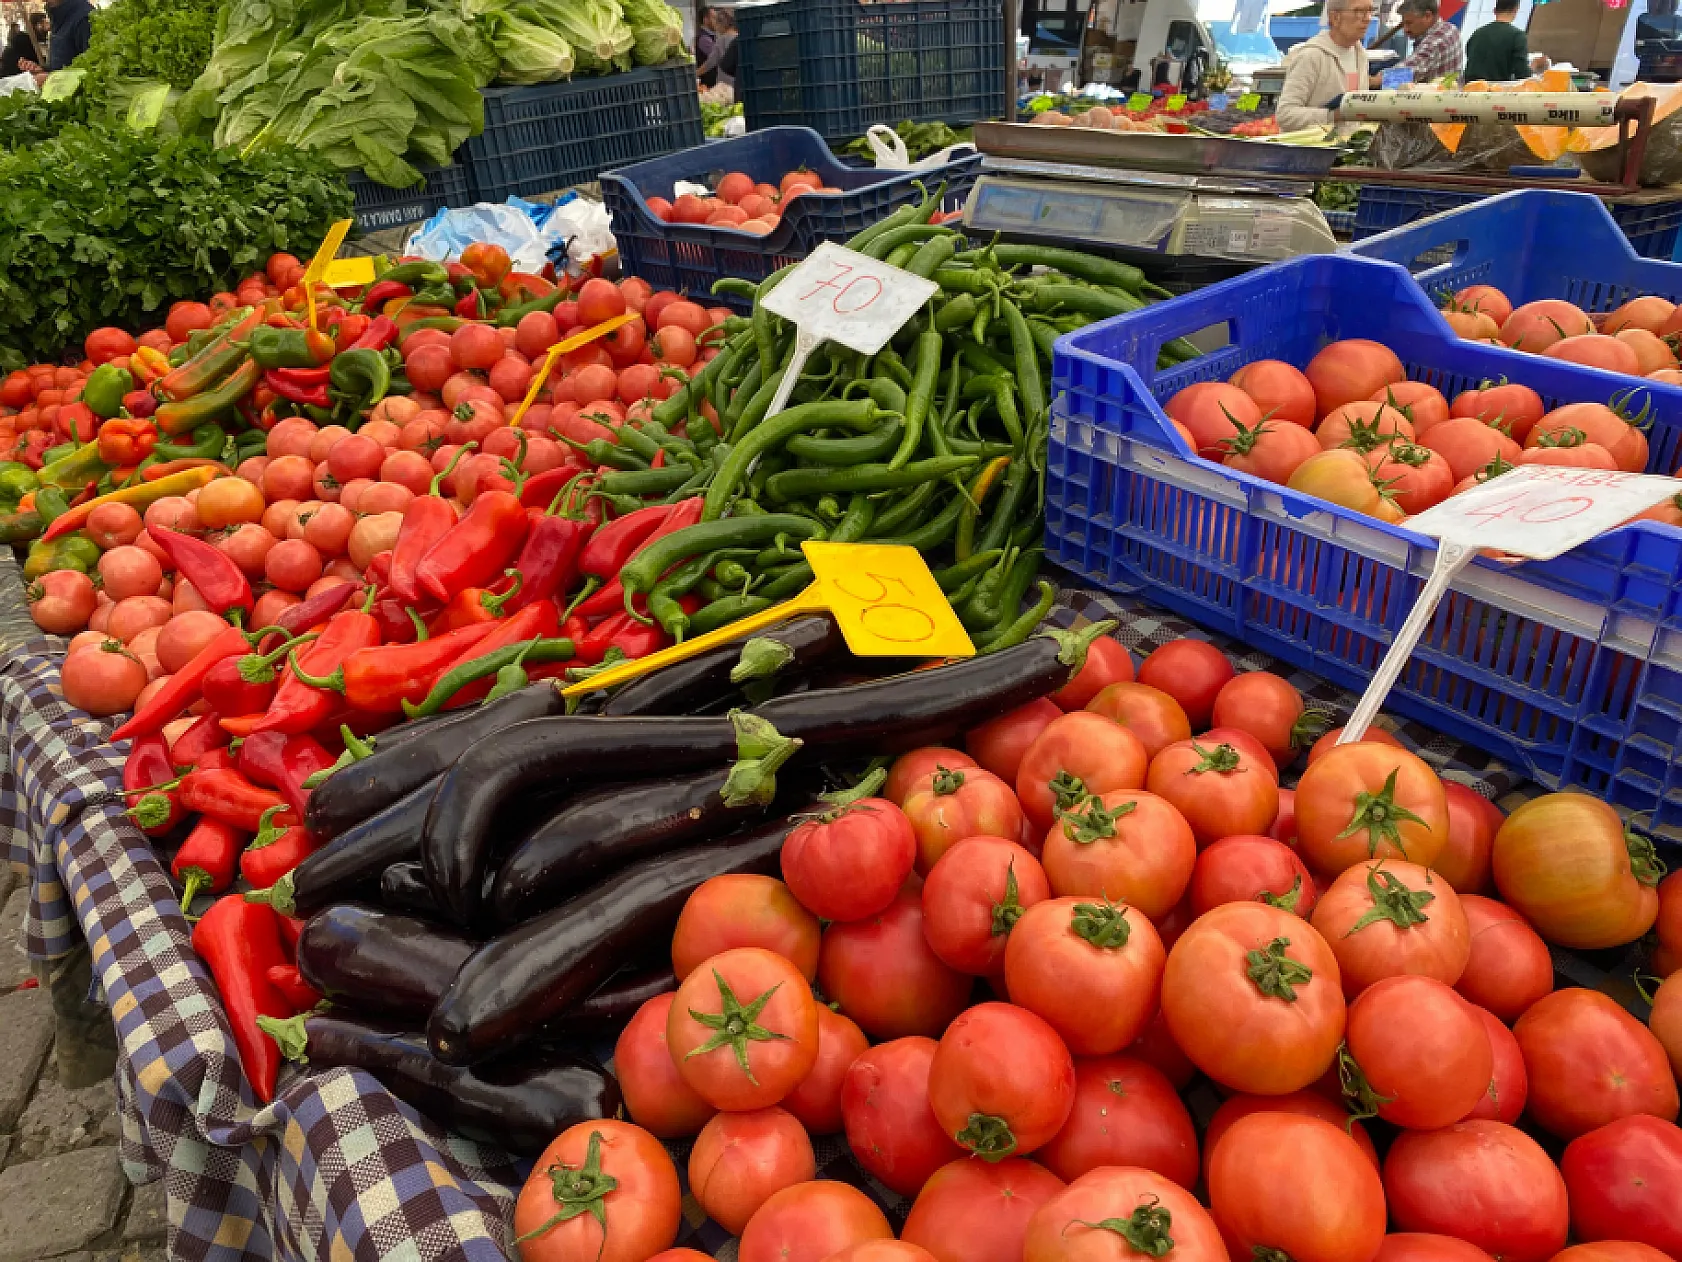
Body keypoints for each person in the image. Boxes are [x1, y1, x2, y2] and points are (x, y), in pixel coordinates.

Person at [1276, 0, 1372, 130]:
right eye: (1359, 11)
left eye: (1370, 11)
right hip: (1313, 149)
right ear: (1335, 17)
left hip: (1348, 147)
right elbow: (1285, 115)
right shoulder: (1311, 56)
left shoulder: (1360, 55)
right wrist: (1332, 116)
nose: (1368, 18)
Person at [1384, 0, 1463, 83]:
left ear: (1428, 16)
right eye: (1403, 24)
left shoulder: (1435, 41)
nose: (1405, 30)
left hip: (1438, 94)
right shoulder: (1451, 28)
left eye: (1409, 23)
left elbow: (1408, 71)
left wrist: (1376, 79)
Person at [1463, 0, 1528, 81]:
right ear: (1515, 10)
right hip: (1495, 91)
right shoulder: (1517, 36)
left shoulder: (1477, 34)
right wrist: (1534, 67)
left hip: (1469, 89)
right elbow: (1522, 74)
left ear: (1494, 10)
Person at [43, 0, 93, 73]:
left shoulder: (83, 18)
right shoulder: (58, 15)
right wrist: (44, 70)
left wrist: (49, 78)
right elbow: (62, 62)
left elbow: (93, 71)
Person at [698, 6, 735, 89]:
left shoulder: (721, 40)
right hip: (738, 82)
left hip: (725, 85)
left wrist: (694, 74)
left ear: (721, 24)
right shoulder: (739, 38)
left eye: (716, 21)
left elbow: (710, 63)